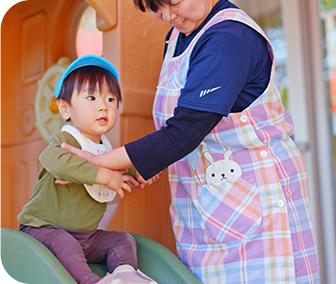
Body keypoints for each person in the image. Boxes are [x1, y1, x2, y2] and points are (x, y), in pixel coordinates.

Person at [62, 1, 319, 283]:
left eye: (174, 2)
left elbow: (186, 130)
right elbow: (177, 132)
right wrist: (146, 162)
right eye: (155, 7)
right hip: (207, 209)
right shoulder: (176, 39)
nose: (169, 16)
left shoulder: (229, 38)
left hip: (256, 202)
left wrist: (98, 162)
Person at [18, 55, 157, 284]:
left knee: (123, 239)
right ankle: (89, 280)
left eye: (111, 99)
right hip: (43, 230)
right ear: (65, 108)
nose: (103, 106)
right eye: (92, 97)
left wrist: (137, 172)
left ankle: (124, 274)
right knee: (65, 243)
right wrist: (104, 176)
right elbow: (53, 159)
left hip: (86, 237)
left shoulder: (104, 148)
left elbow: (118, 168)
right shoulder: (67, 139)